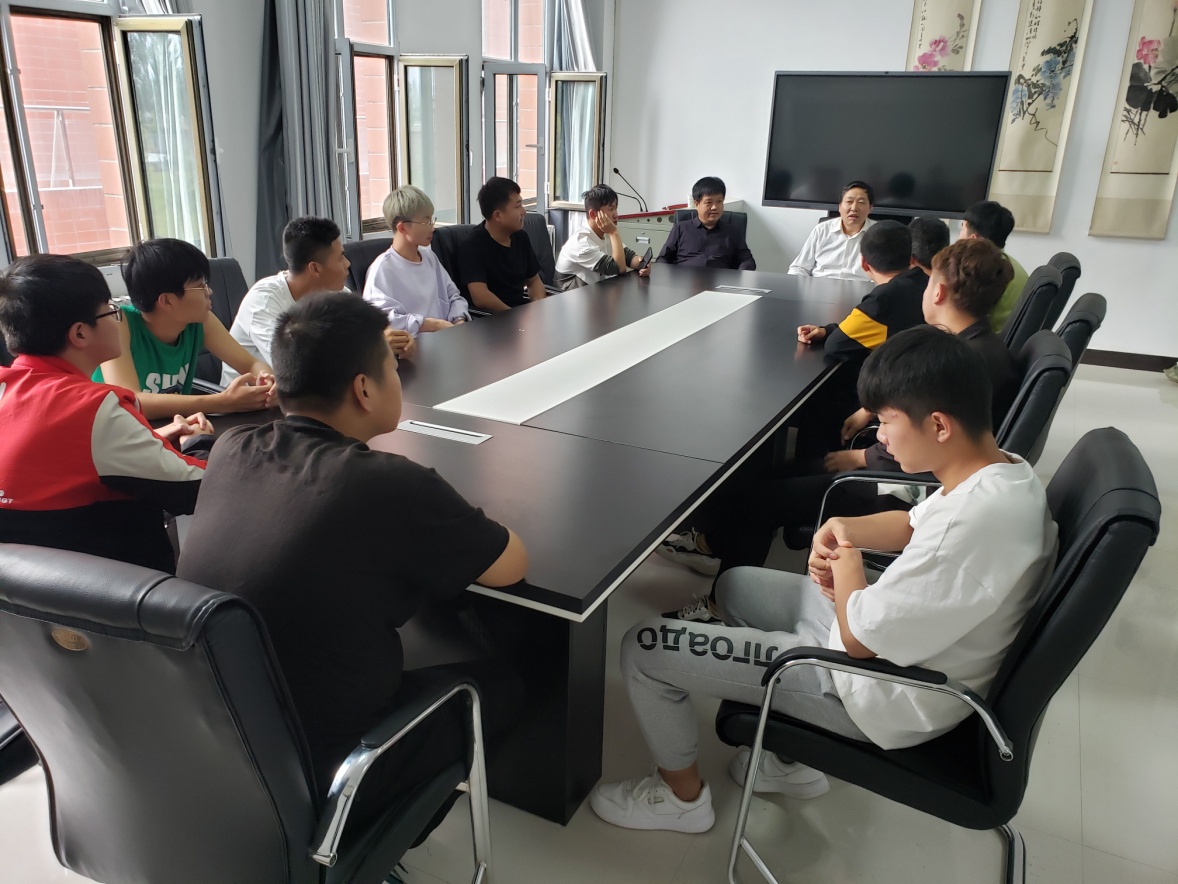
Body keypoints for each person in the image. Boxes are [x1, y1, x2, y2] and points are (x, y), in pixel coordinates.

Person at [591, 326, 1057, 833]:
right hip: (891, 648)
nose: (879, 436)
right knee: (735, 586)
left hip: (877, 693)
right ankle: (789, 761)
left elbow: (858, 640)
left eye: (886, 421)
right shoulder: (1002, 473)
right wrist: (843, 527)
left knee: (644, 648)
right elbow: (913, 524)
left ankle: (681, 800)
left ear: (939, 425)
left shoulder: (971, 526)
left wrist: (847, 567)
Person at [177, 292, 528, 841]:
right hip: (332, 770)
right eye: (392, 369)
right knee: (507, 684)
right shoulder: (392, 484)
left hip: (217, 741)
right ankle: (370, 835)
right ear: (364, 389)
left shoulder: (230, 449)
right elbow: (509, 567)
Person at [659, 238, 1021, 612]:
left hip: (899, 487)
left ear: (939, 292)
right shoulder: (980, 348)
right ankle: (716, 544)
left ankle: (720, 607)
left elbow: (930, 442)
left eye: (929, 283)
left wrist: (862, 458)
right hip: (908, 474)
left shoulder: (960, 364)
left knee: (759, 499)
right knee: (769, 473)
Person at [0, 255, 209, 573]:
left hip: (24, 594)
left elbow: (44, 458)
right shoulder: (94, 410)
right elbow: (198, 490)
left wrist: (148, 439)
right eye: (111, 310)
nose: (119, 319)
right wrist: (198, 443)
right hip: (116, 589)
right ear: (80, 334)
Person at [95, 238, 276, 420]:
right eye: (200, 286)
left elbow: (250, 364)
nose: (209, 291)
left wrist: (268, 381)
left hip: (177, 426)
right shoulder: (118, 324)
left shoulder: (199, 321)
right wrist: (223, 401)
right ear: (167, 300)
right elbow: (131, 402)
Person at [793, 220, 926, 460]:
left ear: (864, 263)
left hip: (888, 392)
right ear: (911, 258)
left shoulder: (884, 299)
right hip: (915, 384)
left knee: (820, 398)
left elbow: (837, 345)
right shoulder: (921, 281)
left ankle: (811, 466)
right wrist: (827, 329)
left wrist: (831, 334)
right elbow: (863, 330)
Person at [224, 216, 360, 384]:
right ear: (315, 268)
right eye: (340, 257)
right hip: (250, 396)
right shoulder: (264, 302)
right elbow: (292, 366)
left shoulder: (336, 294)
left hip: (309, 389)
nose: (348, 263)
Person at [363, 186, 470, 344]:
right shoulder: (382, 269)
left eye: (432, 220)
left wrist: (459, 320)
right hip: (411, 349)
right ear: (402, 227)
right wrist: (429, 325)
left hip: (447, 341)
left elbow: (453, 296)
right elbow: (381, 321)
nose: (432, 227)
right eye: (426, 221)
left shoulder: (429, 257)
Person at [458, 176, 546, 312]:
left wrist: (539, 309)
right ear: (498, 215)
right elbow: (480, 297)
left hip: (519, 312)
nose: (524, 211)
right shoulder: (472, 245)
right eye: (518, 206)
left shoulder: (520, 237)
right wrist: (513, 316)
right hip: (493, 318)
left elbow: (534, 281)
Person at [555, 184, 652, 289]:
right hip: (570, 296)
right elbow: (619, 268)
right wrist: (614, 233)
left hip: (593, 293)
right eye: (611, 209)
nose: (616, 215)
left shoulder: (604, 233)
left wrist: (642, 264)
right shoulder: (581, 243)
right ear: (593, 215)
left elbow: (628, 256)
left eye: (616, 209)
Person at [655, 176, 755, 270]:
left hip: (720, 281)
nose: (715, 207)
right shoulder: (681, 228)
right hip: (686, 280)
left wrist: (738, 276)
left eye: (719, 201)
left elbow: (747, 261)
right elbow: (663, 258)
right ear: (696, 204)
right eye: (709, 202)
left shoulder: (732, 232)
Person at [959, 200, 1028, 333]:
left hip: (984, 338)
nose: (959, 236)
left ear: (972, 238)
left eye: (962, 229)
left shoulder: (980, 271)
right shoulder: (1014, 267)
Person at [788, 180, 877, 280]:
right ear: (840, 207)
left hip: (861, 288)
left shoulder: (879, 235)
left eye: (861, 202)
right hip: (820, 286)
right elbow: (799, 268)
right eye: (849, 202)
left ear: (870, 208)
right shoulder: (822, 230)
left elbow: (885, 276)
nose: (854, 208)